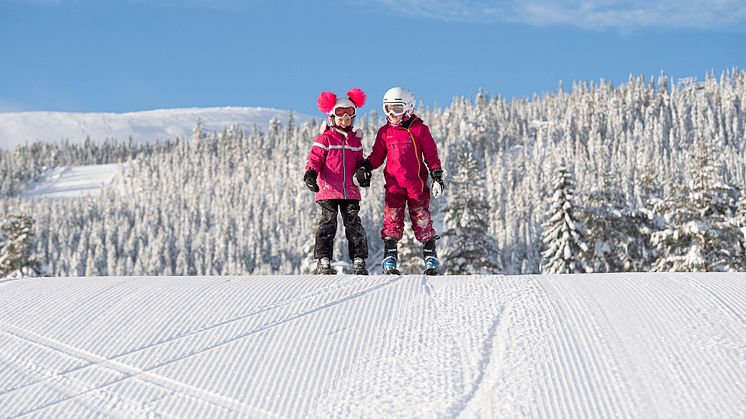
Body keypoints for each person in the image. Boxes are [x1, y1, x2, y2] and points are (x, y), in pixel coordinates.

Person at [358, 87, 444, 275]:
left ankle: (430, 255)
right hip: (394, 186)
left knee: (422, 219)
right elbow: (377, 156)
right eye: (387, 108)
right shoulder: (384, 132)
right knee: (392, 220)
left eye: (396, 109)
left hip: (416, 185)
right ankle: (390, 256)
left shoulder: (419, 129)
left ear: (408, 108)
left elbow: (431, 155)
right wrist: (365, 166)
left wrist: (437, 175)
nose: (391, 114)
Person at [304, 88, 371, 275]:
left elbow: (359, 162)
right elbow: (314, 160)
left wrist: (363, 172)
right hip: (328, 189)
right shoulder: (324, 139)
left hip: (350, 191)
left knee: (354, 224)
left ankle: (359, 259)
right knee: (328, 223)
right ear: (331, 118)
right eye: (341, 117)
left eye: (349, 118)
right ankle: (323, 260)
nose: (345, 121)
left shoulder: (355, 142)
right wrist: (310, 174)